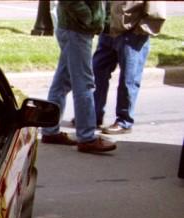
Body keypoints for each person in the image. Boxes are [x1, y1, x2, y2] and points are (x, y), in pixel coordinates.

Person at [41, 1, 116, 153]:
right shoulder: (79, 23)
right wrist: (88, 18)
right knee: (84, 84)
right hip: (76, 29)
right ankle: (87, 138)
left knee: (62, 82)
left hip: (75, 28)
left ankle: (50, 130)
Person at [92, 1, 166, 134]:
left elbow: (156, 9)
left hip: (131, 34)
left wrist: (140, 30)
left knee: (128, 80)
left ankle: (124, 122)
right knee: (97, 72)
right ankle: (93, 115)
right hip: (108, 31)